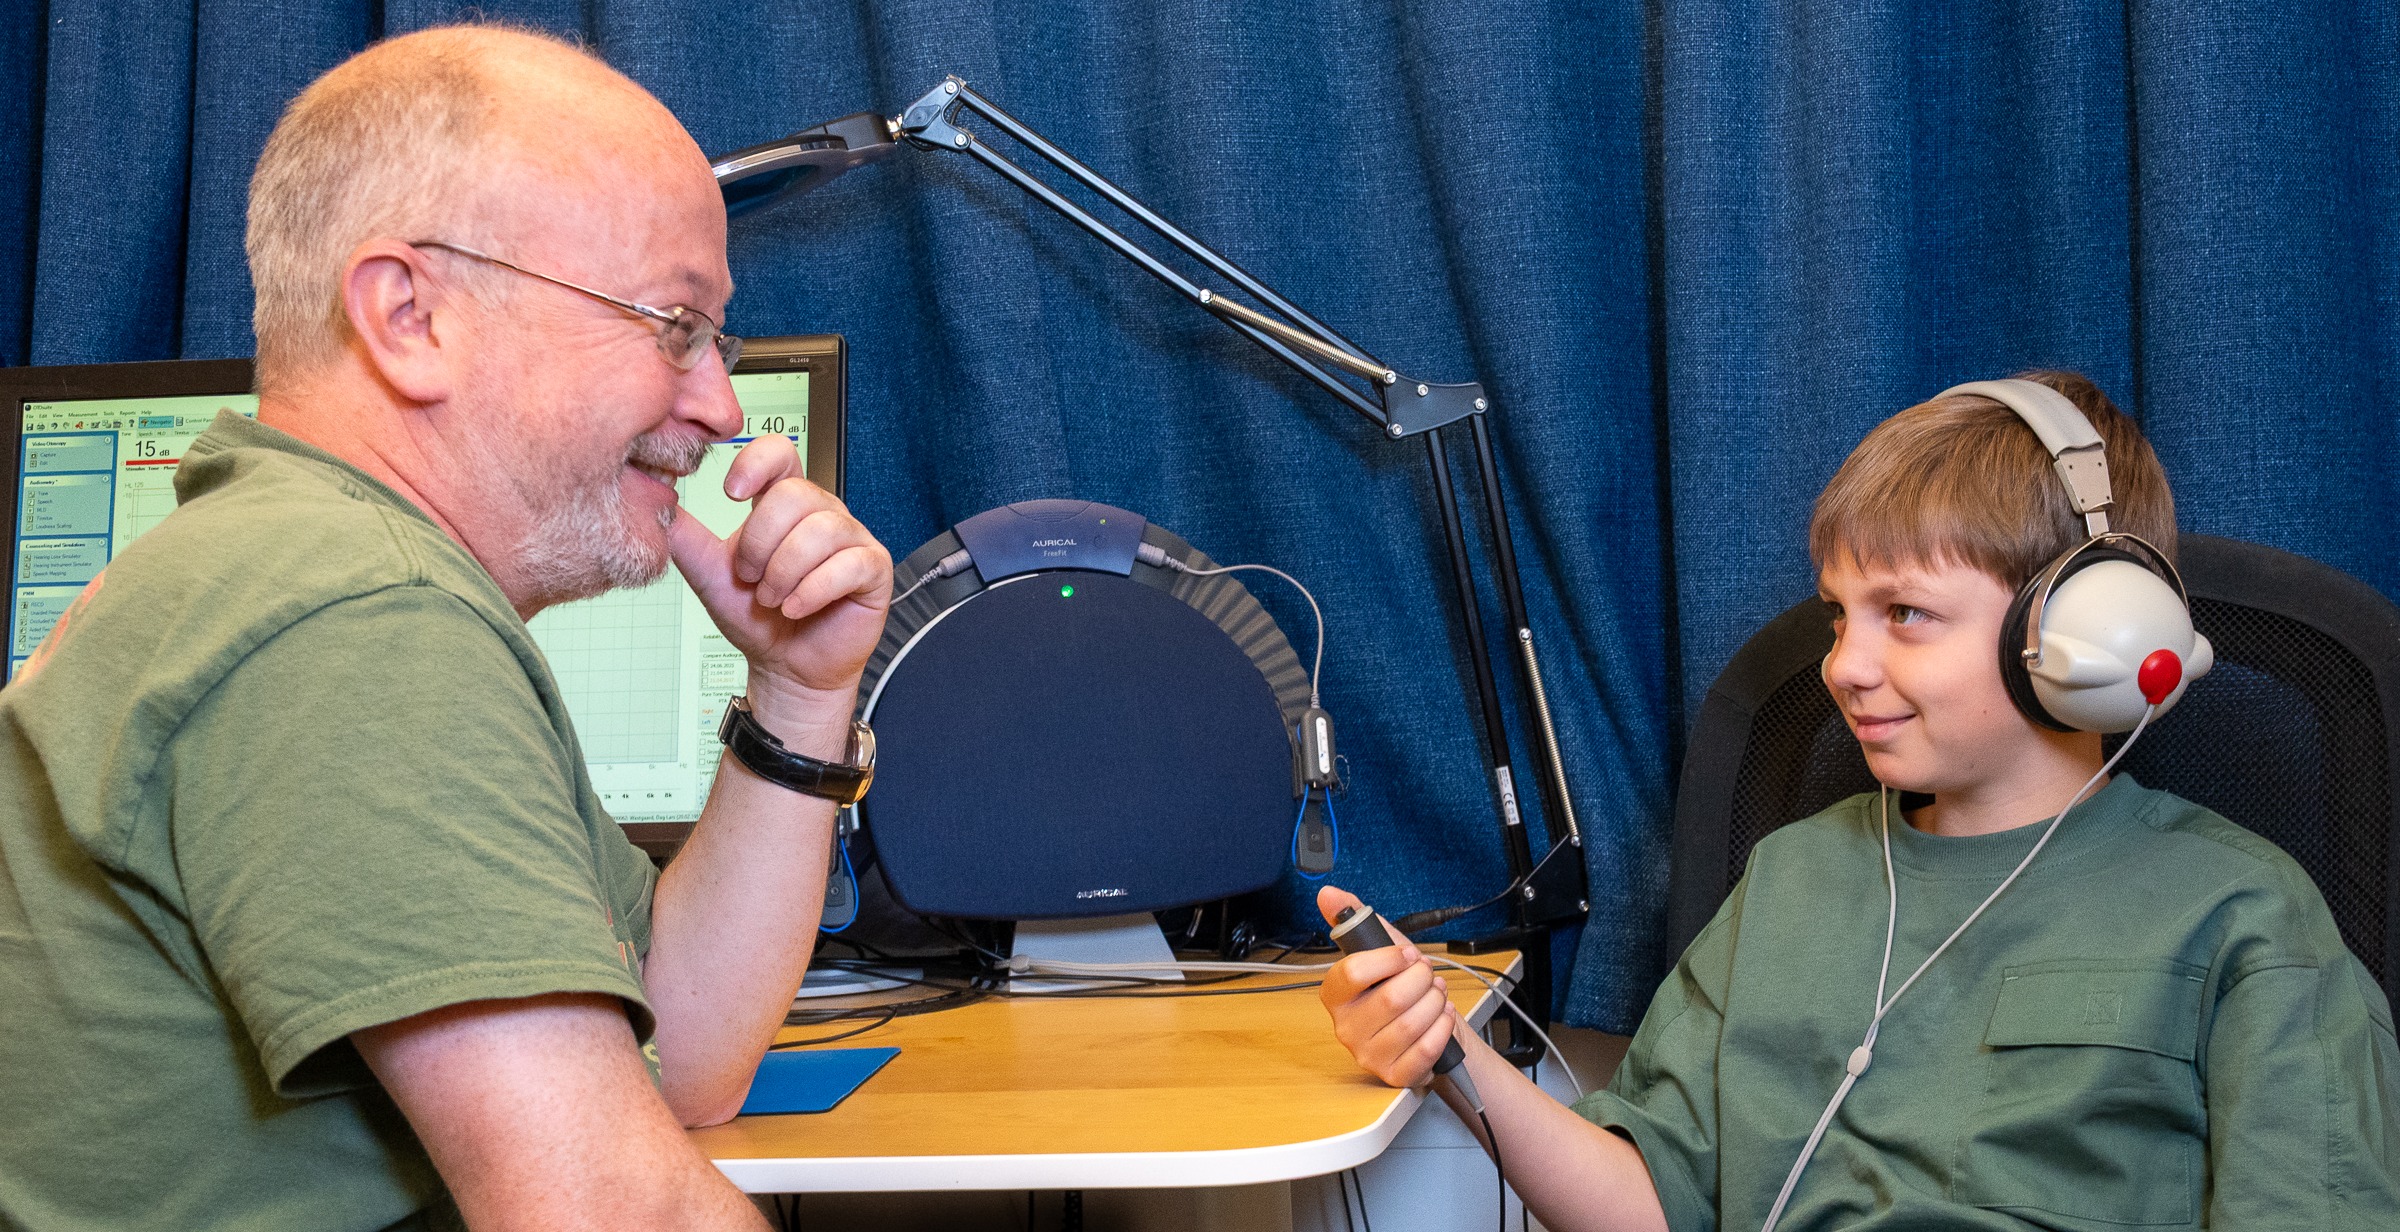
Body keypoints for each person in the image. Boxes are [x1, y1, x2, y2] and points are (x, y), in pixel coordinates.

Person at [0, 25, 891, 1231]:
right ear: (410, 314)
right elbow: (613, 1212)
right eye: (674, 324)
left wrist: (796, 689)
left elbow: (682, 1058)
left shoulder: (302, 566)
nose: (723, 405)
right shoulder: (354, 617)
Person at [1316, 371, 2400, 1230]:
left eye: (1907, 613)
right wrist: (1447, 1057)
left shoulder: (2242, 916)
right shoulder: (1792, 878)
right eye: (1839, 613)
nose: (1844, 665)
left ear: (2090, 632)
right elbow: (1652, 1200)